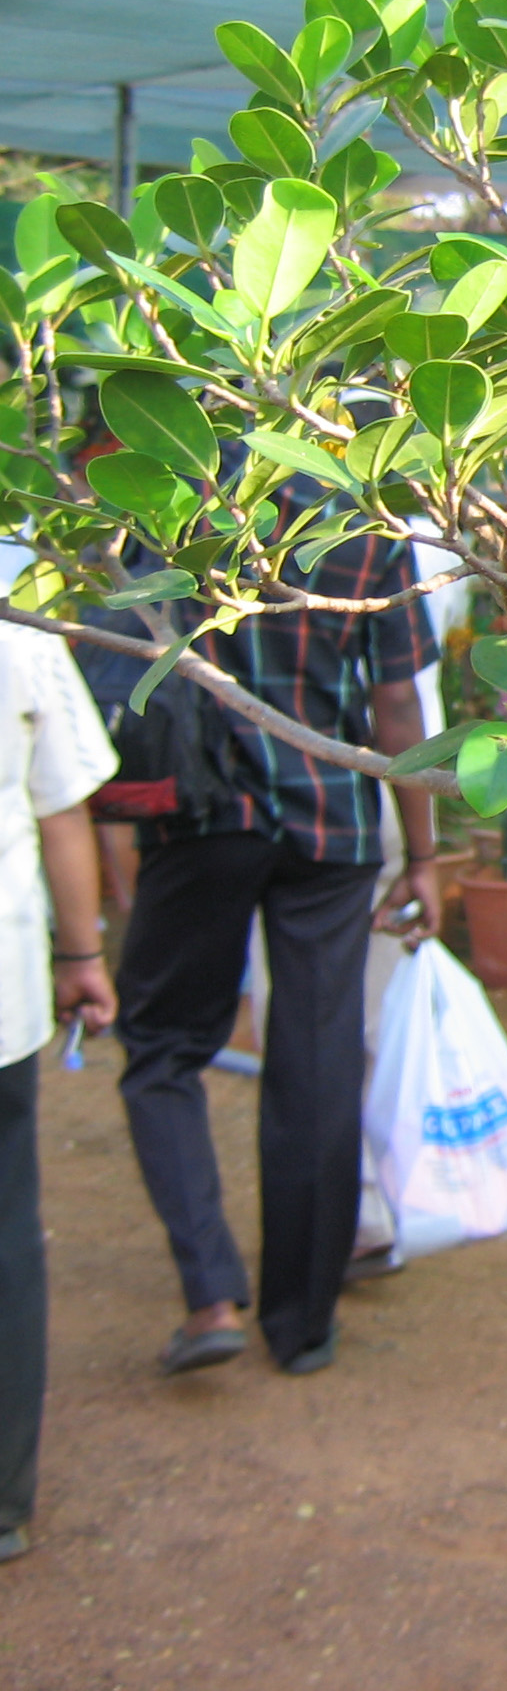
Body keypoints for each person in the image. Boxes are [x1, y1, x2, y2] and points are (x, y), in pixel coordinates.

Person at [110, 529, 442, 1377]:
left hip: (200, 819)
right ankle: (303, 1324)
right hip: (333, 822)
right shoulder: (363, 526)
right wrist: (426, 854)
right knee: (317, 1064)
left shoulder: (168, 497)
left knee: (162, 1048)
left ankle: (211, 1296)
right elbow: (396, 701)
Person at [0, 627, 120, 1564]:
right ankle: (4, 1494)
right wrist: (81, 956)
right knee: (6, 1237)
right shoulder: (20, 647)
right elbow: (64, 812)